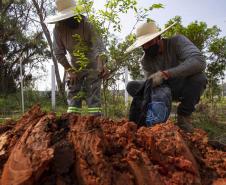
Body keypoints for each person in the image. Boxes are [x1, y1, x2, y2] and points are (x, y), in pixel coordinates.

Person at [126, 21, 207, 132]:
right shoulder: (145, 60)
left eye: (149, 43)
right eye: (143, 45)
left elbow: (199, 62)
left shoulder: (177, 42)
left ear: (159, 37)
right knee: (132, 86)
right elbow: (150, 87)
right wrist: (151, 82)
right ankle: (156, 116)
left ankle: (183, 116)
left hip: (182, 87)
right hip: (161, 91)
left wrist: (166, 74)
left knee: (199, 78)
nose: (146, 47)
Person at [45, 0, 107, 115]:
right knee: (73, 92)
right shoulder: (58, 29)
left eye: (73, 16)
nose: (71, 20)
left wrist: (101, 65)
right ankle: (72, 122)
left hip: (93, 63)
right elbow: (58, 53)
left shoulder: (88, 24)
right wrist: (70, 70)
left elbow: (100, 46)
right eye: (67, 18)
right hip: (75, 66)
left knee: (93, 95)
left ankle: (96, 122)